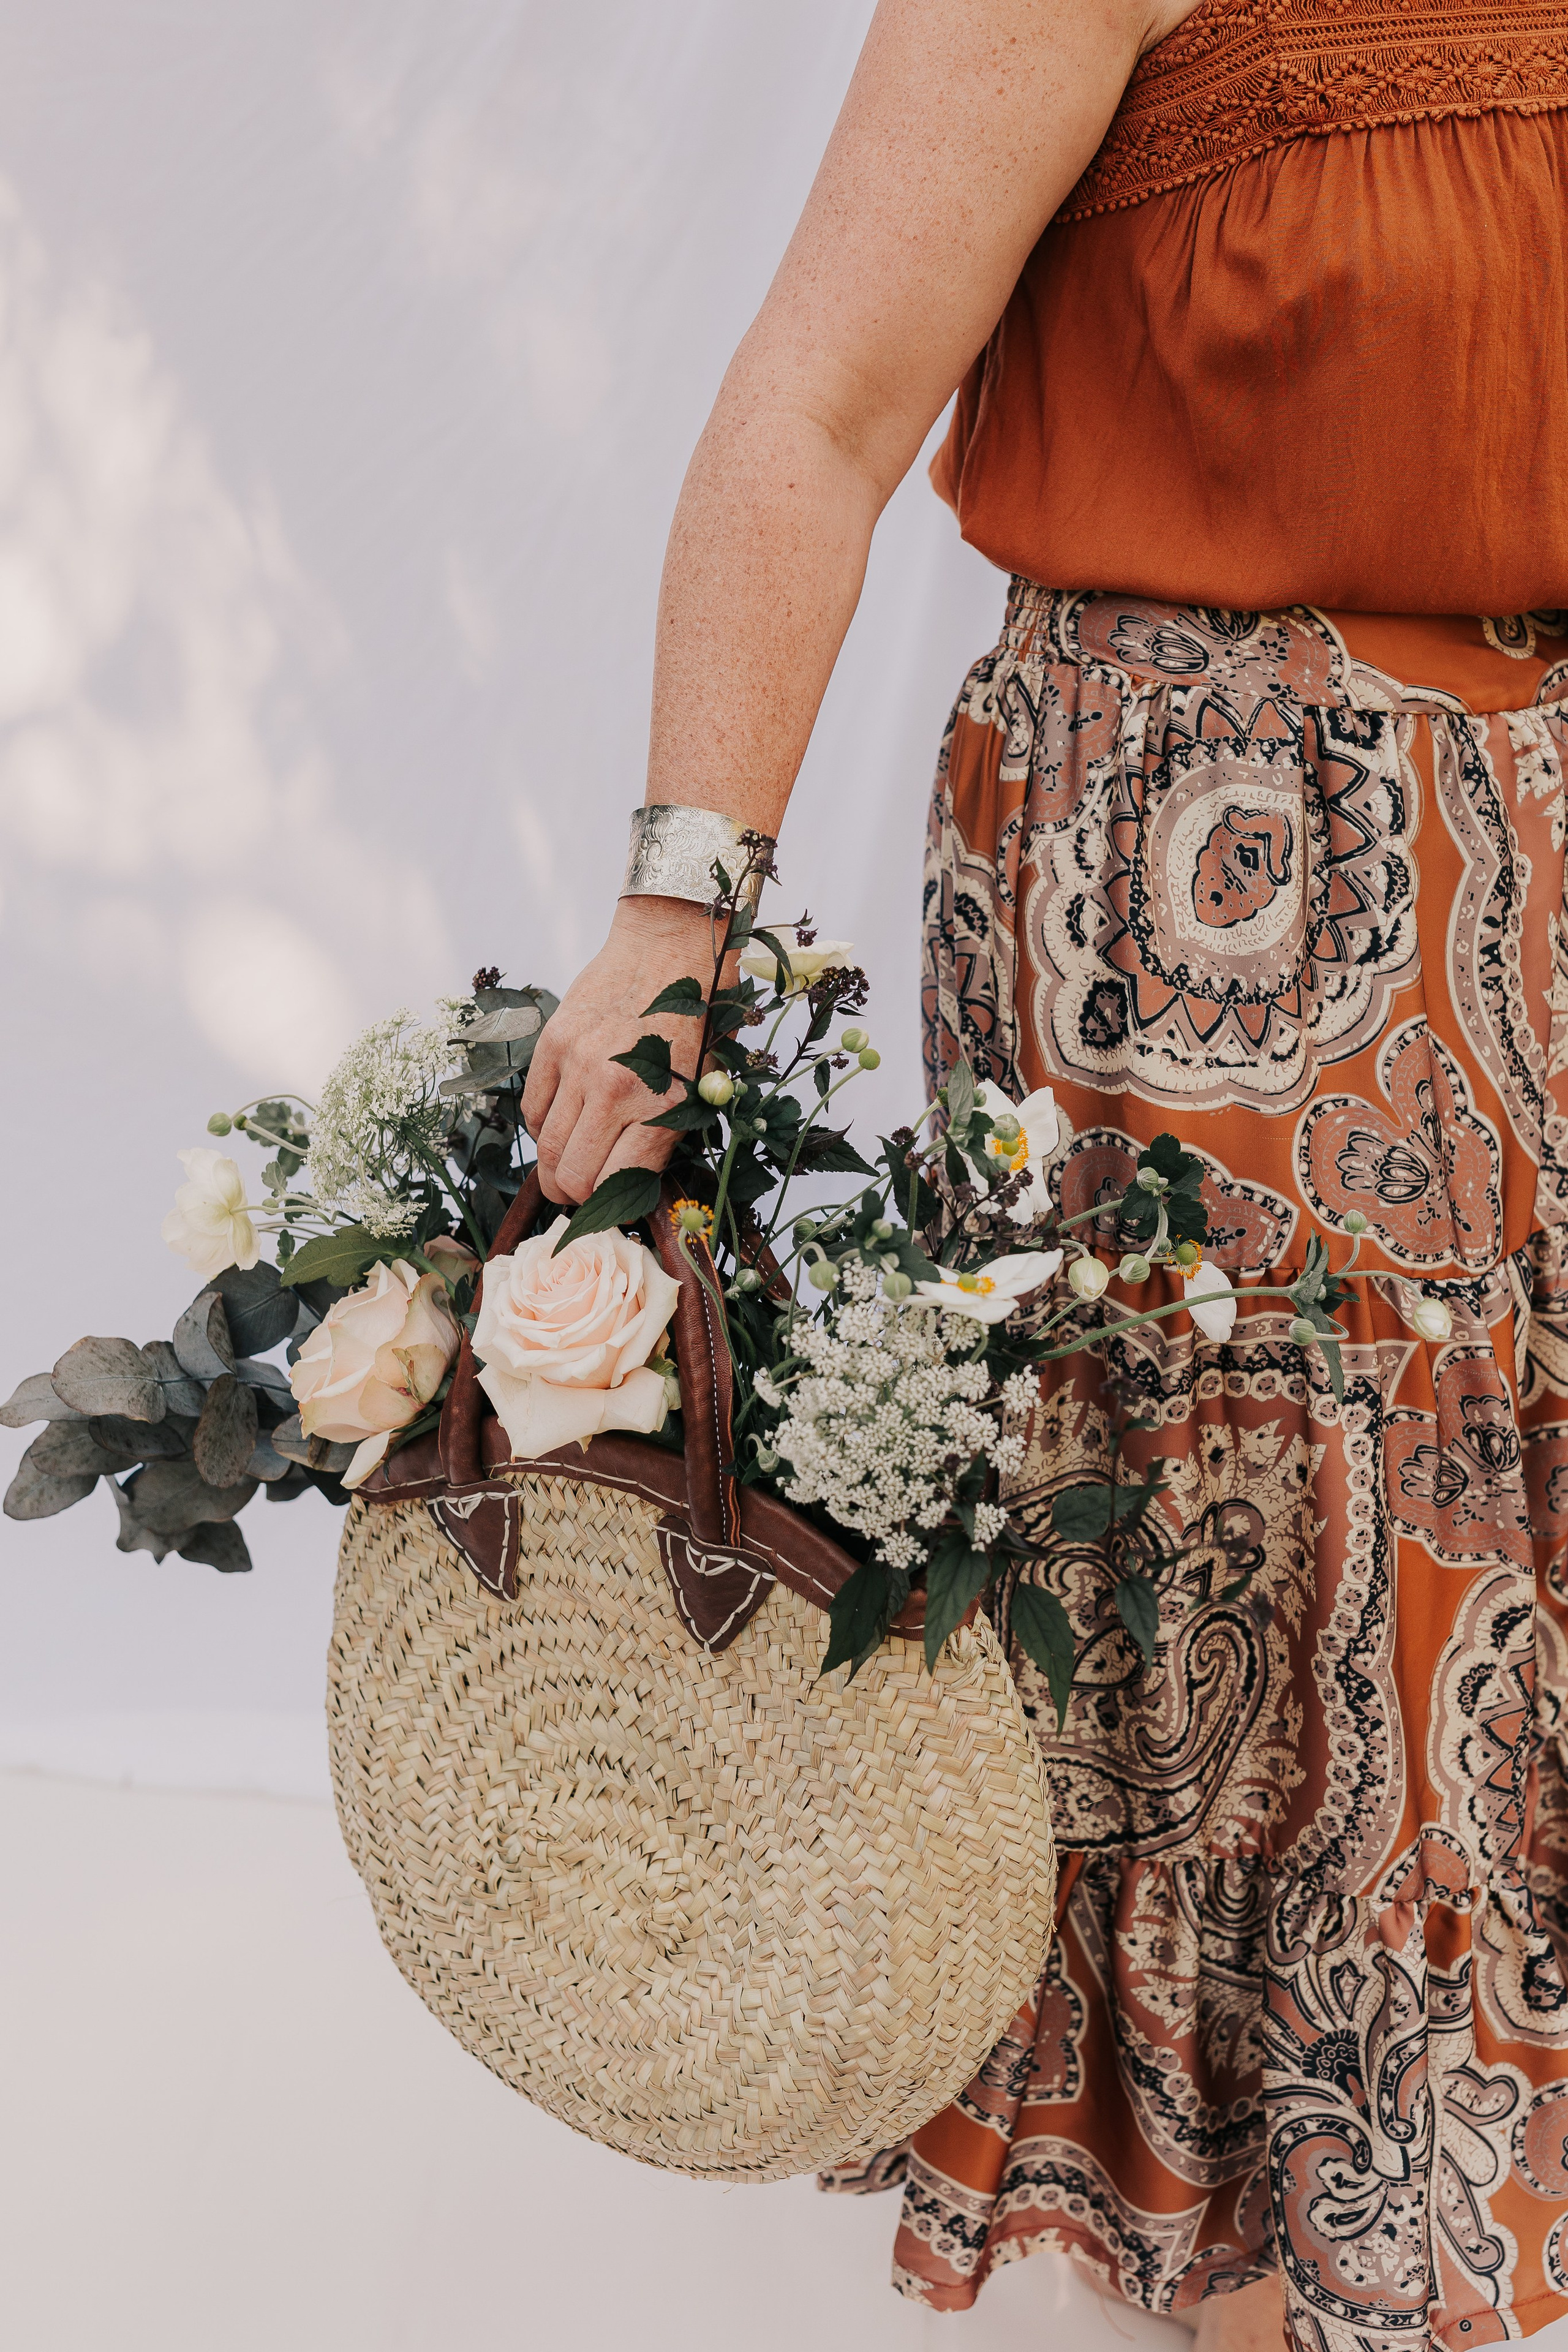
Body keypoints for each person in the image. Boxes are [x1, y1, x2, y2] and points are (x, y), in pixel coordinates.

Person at [522, 4, 1568, 2346]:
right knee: (1273, 1568)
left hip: (1538, 882)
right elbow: (819, 410)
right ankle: (1263, 2254)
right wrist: (681, 919)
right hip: (1212, 880)